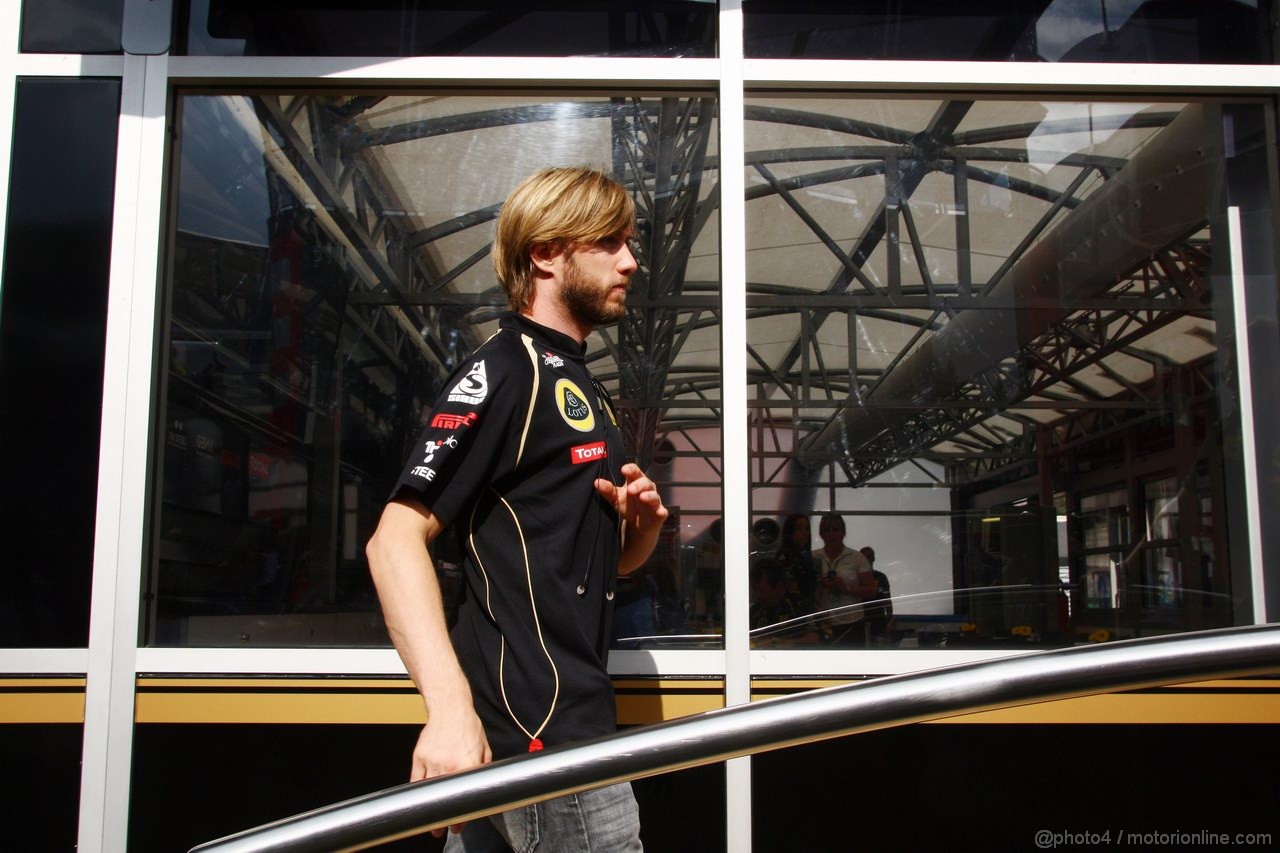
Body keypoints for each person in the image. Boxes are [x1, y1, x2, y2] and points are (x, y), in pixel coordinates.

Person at [366, 166, 668, 852]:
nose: (632, 260)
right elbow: (394, 540)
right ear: (546, 254)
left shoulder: (580, 385)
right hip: (545, 745)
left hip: (560, 733)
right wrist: (448, 711)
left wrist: (642, 530)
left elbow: (585, 567)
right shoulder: (507, 371)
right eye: (610, 242)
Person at [812, 513, 877, 646]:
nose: (831, 535)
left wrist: (846, 588)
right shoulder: (814, 557)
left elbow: (872, 590)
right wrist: (820, 586)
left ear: (843, 532)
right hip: (823, 622)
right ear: (821, 533)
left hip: (851, 623)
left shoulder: (856, 558)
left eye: (835, 530)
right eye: (827, 530)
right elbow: (806, 592)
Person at [859, 545, 894, 645]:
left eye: (869, 557)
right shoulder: (856, 578)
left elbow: (887, 600)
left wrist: (889, 621)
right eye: (863, 557)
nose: (866, 560)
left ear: (873, 558)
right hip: (861, 619)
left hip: (879, 619)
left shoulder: (881, 577)